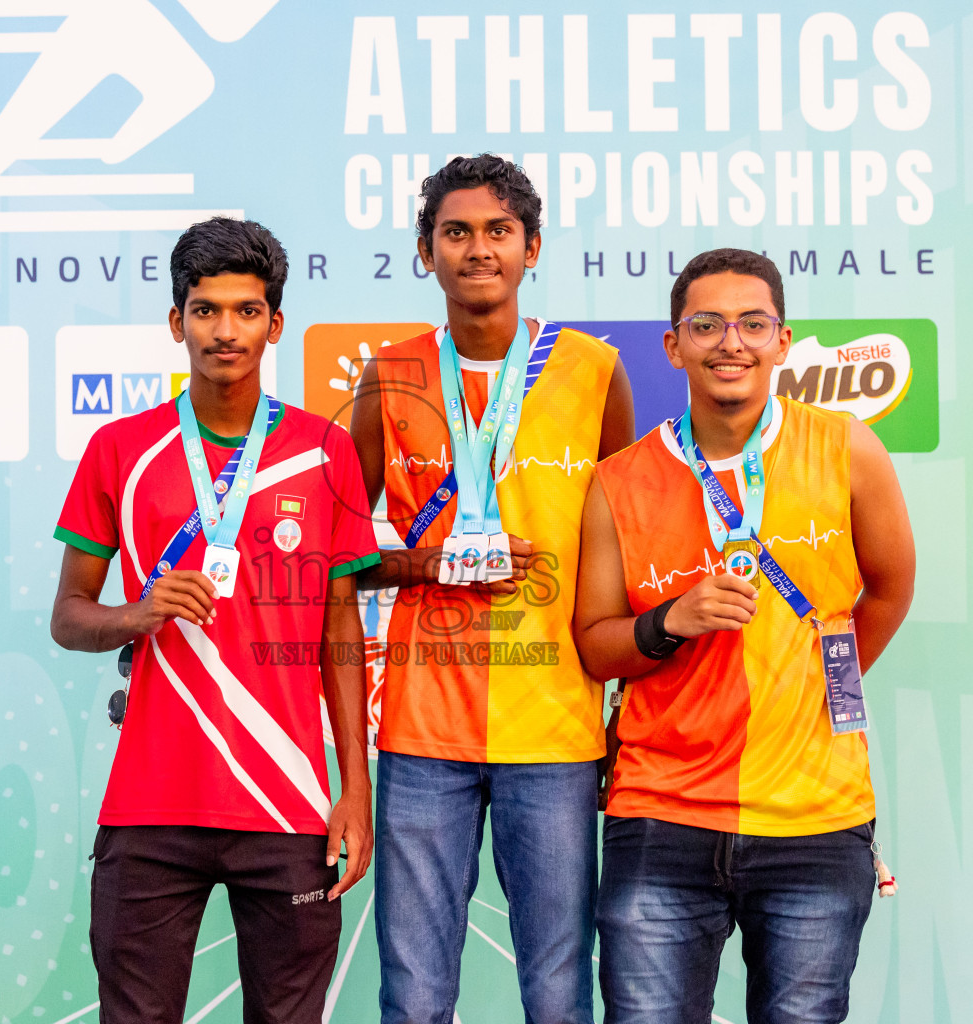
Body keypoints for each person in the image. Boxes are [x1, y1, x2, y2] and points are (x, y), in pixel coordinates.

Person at [572, 248, 916, 1024]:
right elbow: (597, 644)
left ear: (783, 341)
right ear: (674, 345)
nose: (732, 342)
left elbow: (890, 589)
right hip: (662, 817)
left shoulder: (846, 447)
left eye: (752, 323)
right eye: (708, 324)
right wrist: (669, 623)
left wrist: (818, 684)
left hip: (814, 822)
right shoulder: (619, 480)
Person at [49, 217, 379, 1024]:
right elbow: (67, 617)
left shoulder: (322, 451)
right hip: (150, 807)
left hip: (288, 802)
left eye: (244, 310)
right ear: (176, 322)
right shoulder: (119, 449)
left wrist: (355, 787)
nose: (224, 330)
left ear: (274, 323)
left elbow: (343, 631)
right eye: (205, 310)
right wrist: (137, 613)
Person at [349, 154, 635, 1024]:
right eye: (457, 232)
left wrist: (624, 703)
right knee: (416, 992)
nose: (479, 249)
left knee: (557, 991)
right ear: (425, 252)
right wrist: (427, 564)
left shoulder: (593, 371)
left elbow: (630, 543)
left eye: (499, 231)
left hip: (555, 730)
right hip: (420, 729)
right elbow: (338, 553)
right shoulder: (385, 377)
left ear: (532, 247)